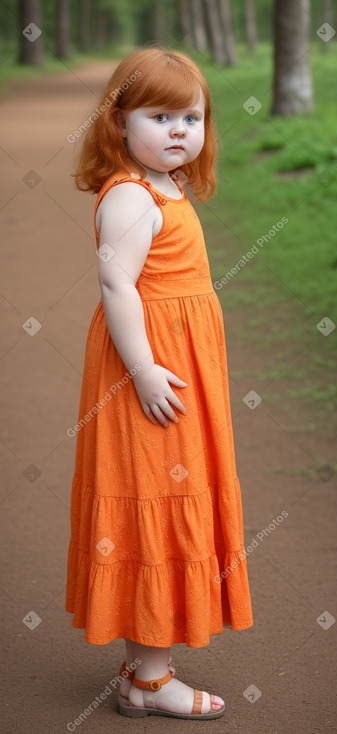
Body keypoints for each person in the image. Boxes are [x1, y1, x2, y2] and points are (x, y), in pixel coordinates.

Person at [65, 44, 253, 720]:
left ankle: (141, 669)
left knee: (174, 492)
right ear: (117, 121)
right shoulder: (129, 196)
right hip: (149, 369)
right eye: (160, 115)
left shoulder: (166, 187)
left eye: (191, 117)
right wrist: (143, 369)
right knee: (155, 497)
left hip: (178, 363)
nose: (179, 130)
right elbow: (116, 283)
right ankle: (150, 680)